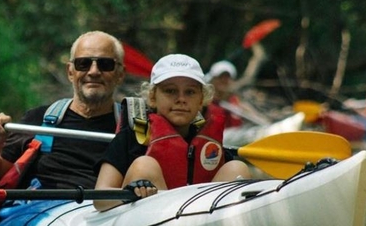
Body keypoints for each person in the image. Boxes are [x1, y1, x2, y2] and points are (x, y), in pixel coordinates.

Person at [0, 31, 125, 226]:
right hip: (40, 216)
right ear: (70, 72)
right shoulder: (37, 120)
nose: (93, 71)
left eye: (105, 64)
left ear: (120, 74)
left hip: (106, 217)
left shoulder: (133, 127)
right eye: (83, 64)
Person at [93, 54, 252, 211]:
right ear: (153, 97)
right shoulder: (131, 137)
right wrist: (132, 191)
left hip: (197, 221)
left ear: (201, 100)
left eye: (190, 92)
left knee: (237, 168)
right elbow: (99, 199)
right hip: (145, 223)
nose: (181, 99)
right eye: (170, 91)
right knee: (145, 166)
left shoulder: (209, 144)